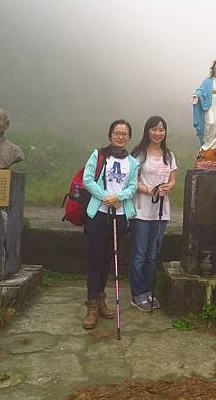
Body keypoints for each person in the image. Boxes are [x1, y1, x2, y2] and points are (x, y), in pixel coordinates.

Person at [81, 119, 139, 330]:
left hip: (120, 215)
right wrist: (106, 196)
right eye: (117, 132)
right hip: (99, 214)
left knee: (108, 259)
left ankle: (102, 299)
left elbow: (132, 187)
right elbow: (87, 180)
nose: (120, 136)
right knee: (95, 259)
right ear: (110, 134)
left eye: (124, 133)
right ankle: (92, 305)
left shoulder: (133, 162)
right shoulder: (99, 155)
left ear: (129, 137)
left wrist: (119, 197)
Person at [129, 116, 177, 311]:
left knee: (152, 253)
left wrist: (167, 187)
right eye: (154, 129)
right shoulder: (139, 154)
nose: (158, 133)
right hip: (141, 211)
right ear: (147, 131)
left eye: (161, 130)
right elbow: (131, 181)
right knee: (139, 253)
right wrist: (150, 190)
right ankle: (137, 294)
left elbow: (173, 179)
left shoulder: (169, 155)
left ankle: (149, 292)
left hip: (161, 211)